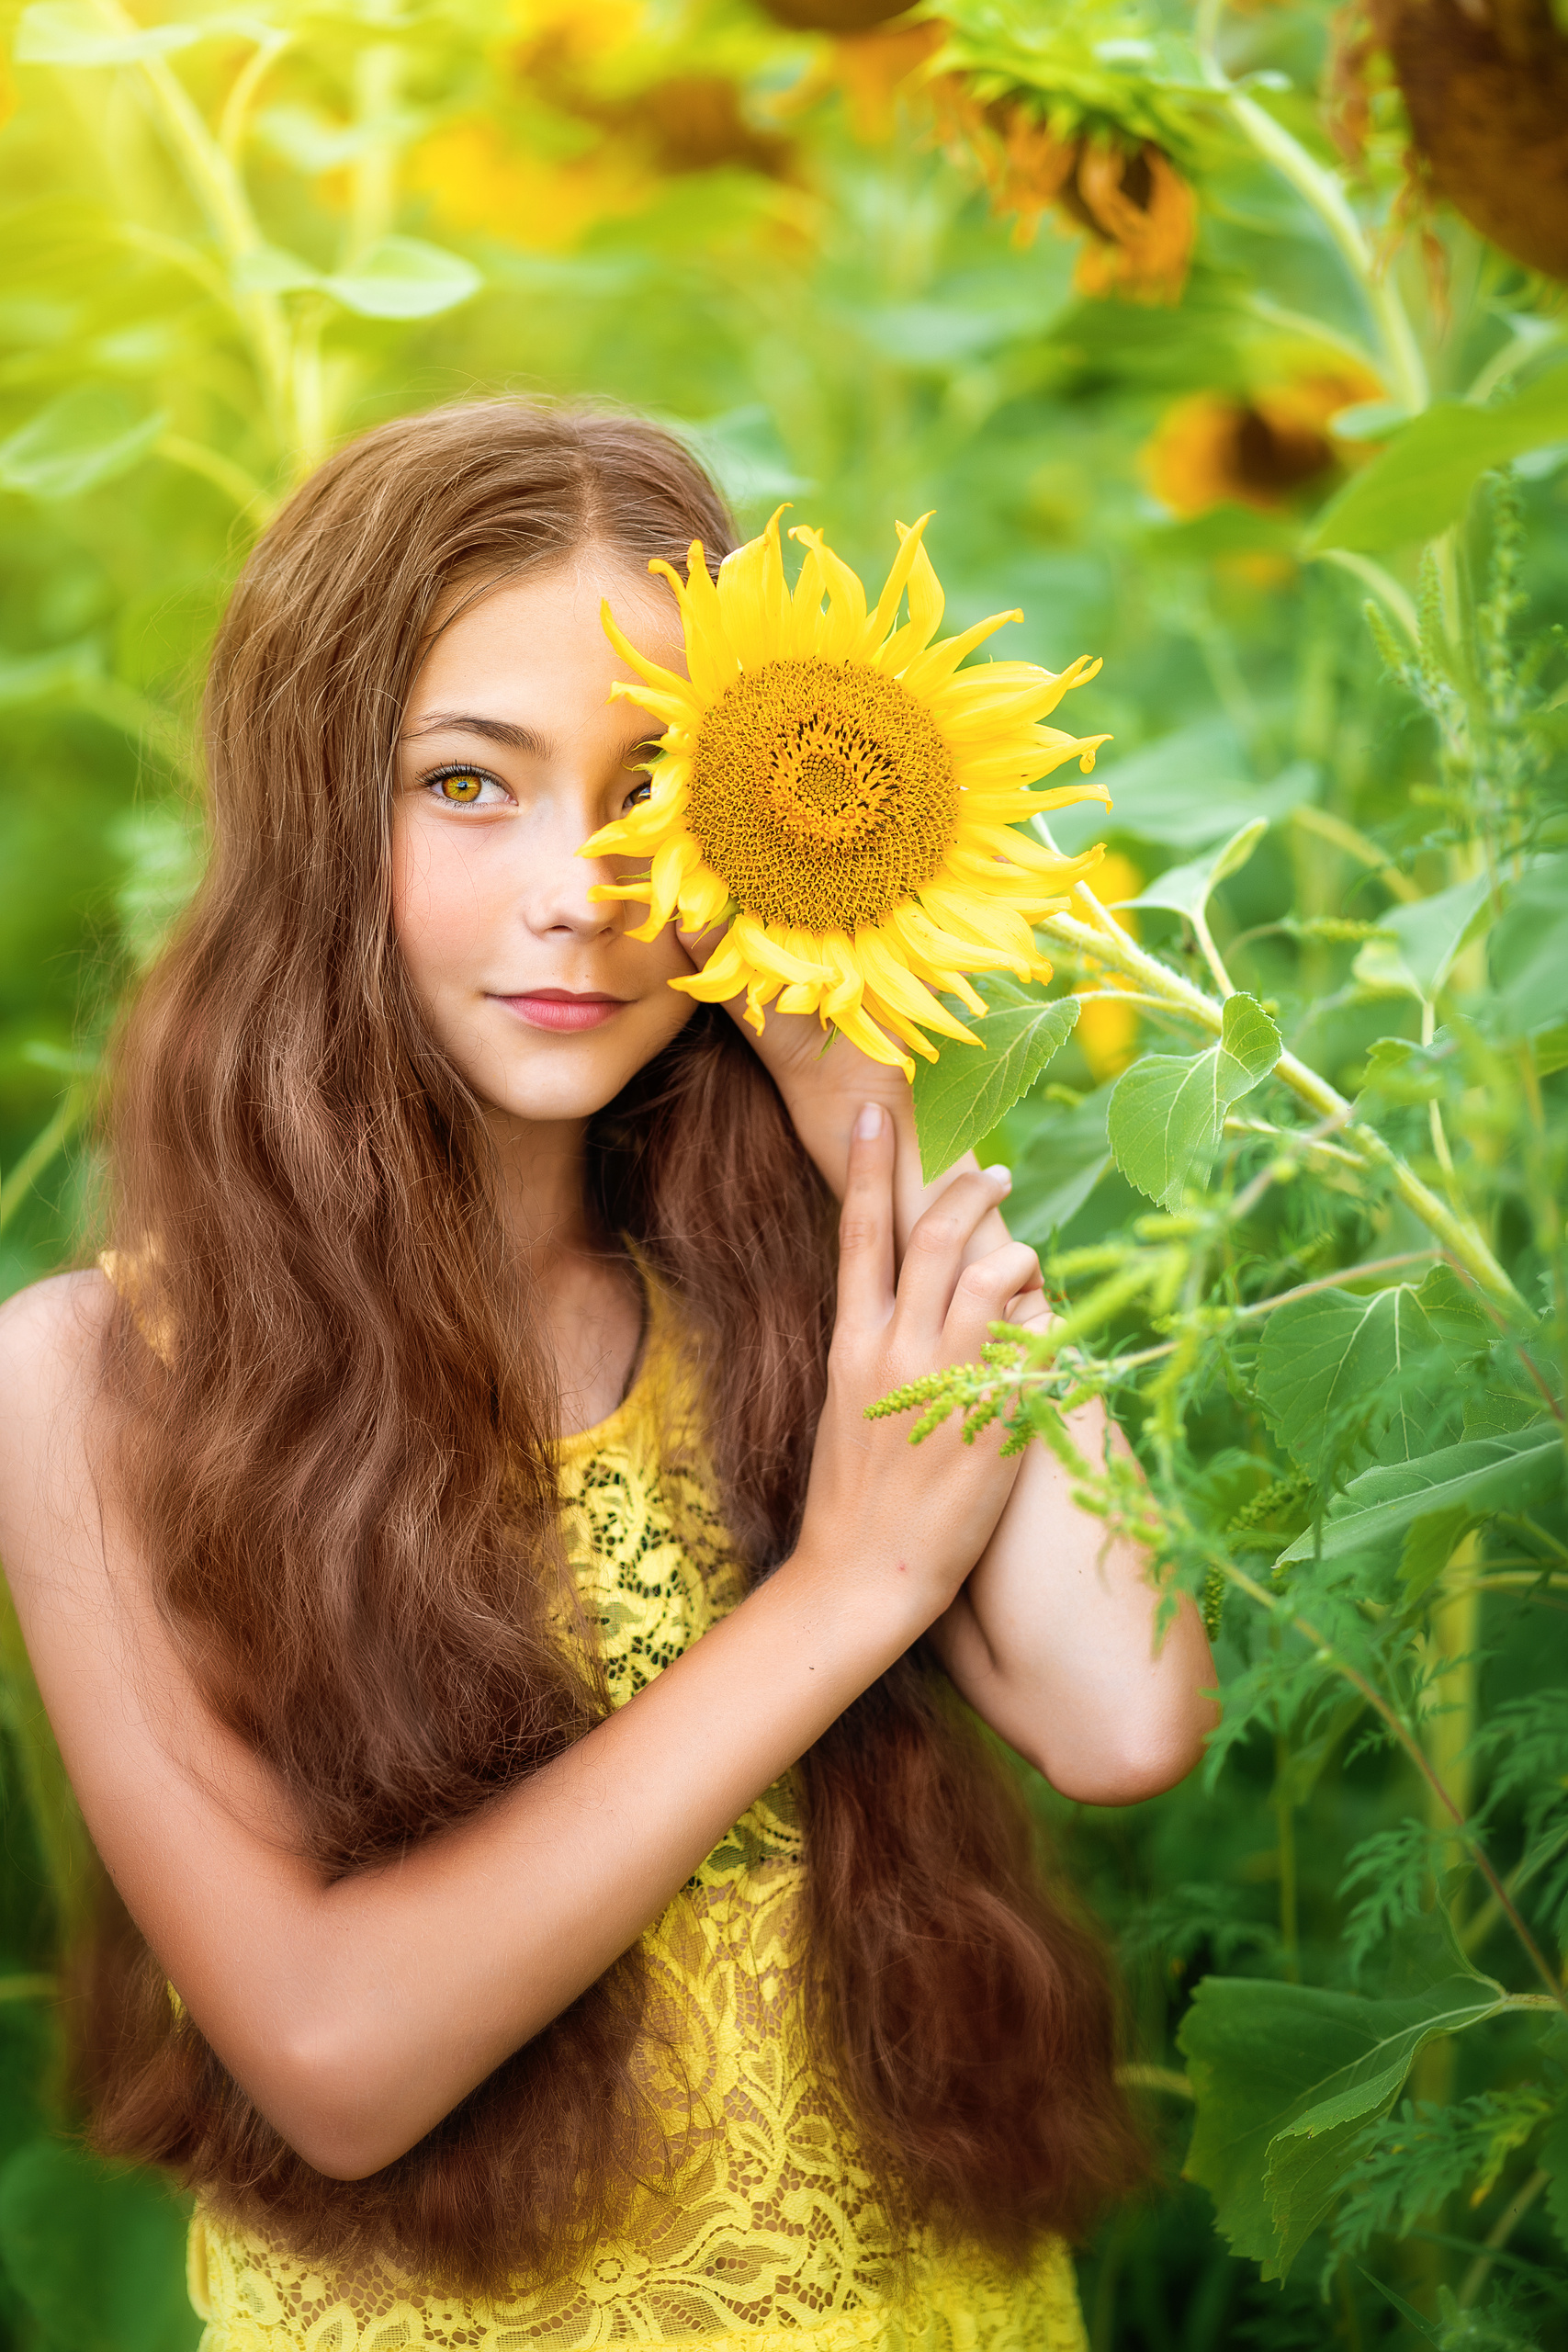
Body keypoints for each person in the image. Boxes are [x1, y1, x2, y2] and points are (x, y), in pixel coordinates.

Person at [0, 401, 1216, 2350]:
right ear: (319, 807)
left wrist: (865, 1118)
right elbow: (332, 2050)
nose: (586, 880)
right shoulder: (92, 1381)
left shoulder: (772, 1283)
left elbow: (1120, 1707)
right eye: (469, 783)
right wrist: (839, 1594)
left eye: (659, 785)